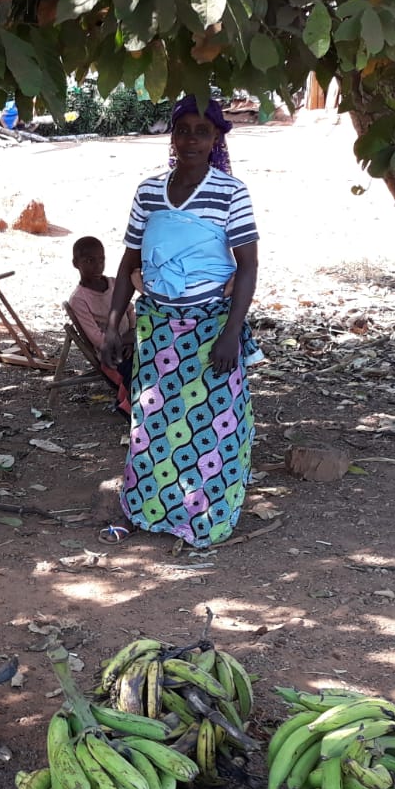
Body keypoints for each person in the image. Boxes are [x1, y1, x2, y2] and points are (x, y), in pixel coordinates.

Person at [101, 94, 260, 549]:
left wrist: (231, 333)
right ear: (172, 137)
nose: (191, 140)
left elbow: (247, 266)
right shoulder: (149, 193)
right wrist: (113, 326)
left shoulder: (230, 192)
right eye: (183, 130)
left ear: (216, 139)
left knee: (213, 426)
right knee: (152, 423)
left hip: (211, 328)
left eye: (202, 132)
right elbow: (129, 262)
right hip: (157, 330)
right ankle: (146, 510)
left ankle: (203, 520)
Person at [67, 235, 132, 416]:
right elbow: (97, 338)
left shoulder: (114, 284)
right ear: (76, 263)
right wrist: (127, 339)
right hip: (110, 354)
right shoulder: (79, 299)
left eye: (101, 260)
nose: (97, 266)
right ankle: (127, 409)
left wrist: (133, 336)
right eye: (89, 261)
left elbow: (130, 311)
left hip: (130, 345)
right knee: (134, 370)